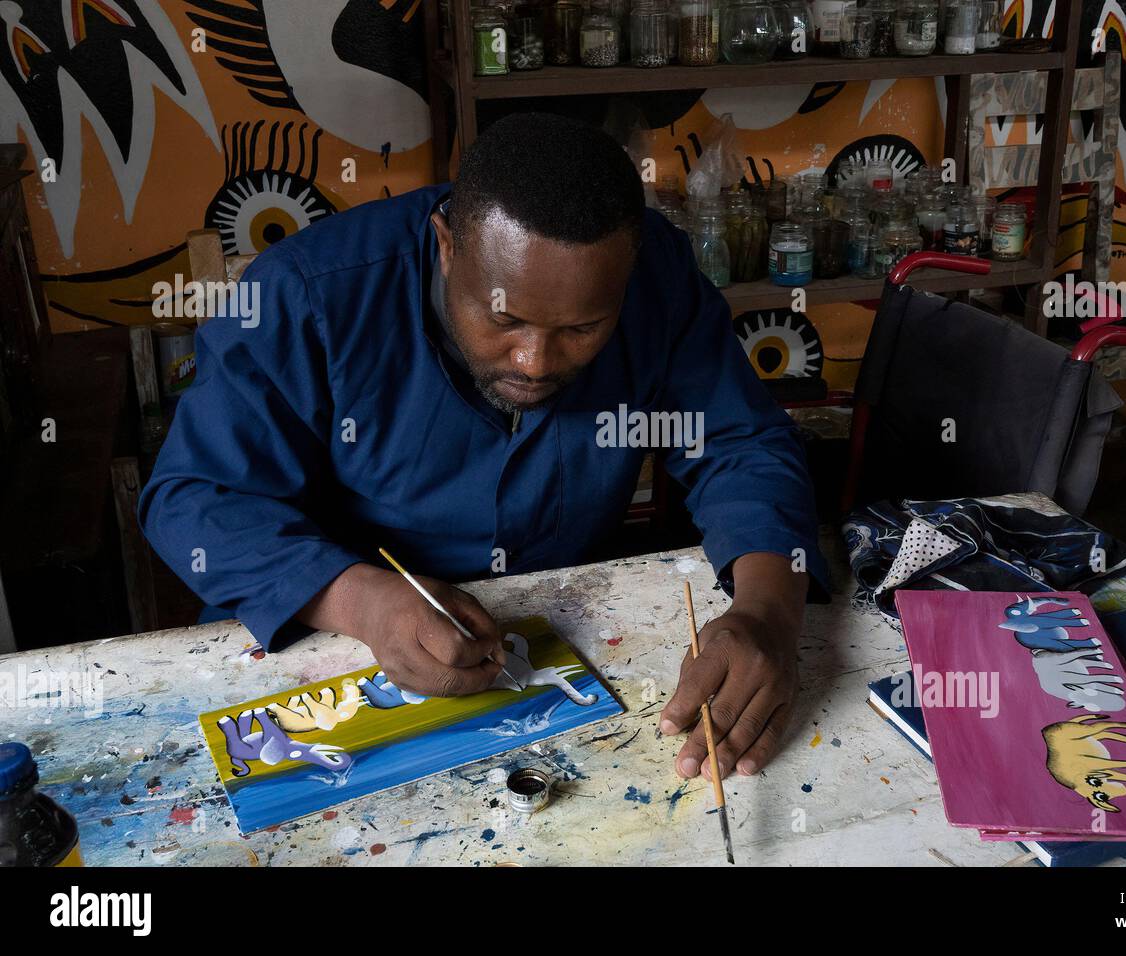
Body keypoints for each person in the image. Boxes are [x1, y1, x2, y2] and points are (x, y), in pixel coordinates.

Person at [139, 112, 828, 782]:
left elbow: (741, 443)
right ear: (446, 244)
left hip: (562, 650)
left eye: (583, 329)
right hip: (328, 652)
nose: (533, 362)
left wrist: (766, 612)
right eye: (504, 317)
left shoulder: (658, 279)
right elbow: (193, 497)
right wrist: (359, 600)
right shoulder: (307, 295)